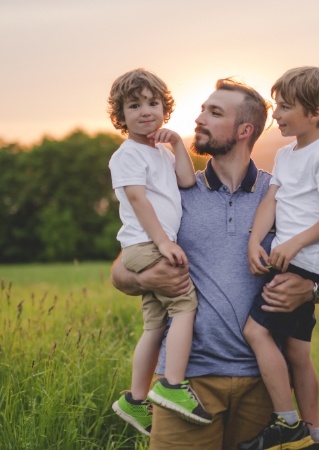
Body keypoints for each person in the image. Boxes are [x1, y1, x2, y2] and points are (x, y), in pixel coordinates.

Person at [110, 77, 319, 450]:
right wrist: (148, 277)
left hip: (263, 385)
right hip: (187, 383)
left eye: (214, 113)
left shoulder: (282, 193)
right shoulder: (174, 191)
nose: (199, 119)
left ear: (245, 130)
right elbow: (121, 270)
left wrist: (310, 289)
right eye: (201, 109)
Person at [240, 67, 319, 450]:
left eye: (286, 107)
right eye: (276, 106)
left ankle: (288, 424)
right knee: (298, 351)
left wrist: (293, 245)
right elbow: (273, 199)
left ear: (316, 112)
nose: (278, 115)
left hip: (305, 262)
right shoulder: (285, 154)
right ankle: (315, 433)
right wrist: (256, 240)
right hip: (291, 255)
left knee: (256, 331)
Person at [107, 68, 211, 436]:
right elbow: (137, 199)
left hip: (150, 245)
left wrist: (179, 145)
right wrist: (165, 243)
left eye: (152, 103)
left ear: (165, 109)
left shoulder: (161, 153)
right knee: (185, 306)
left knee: (155, 323)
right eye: (134, 105)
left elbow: (186, 180)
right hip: (145, 245)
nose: (145, 111)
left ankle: (136, 399)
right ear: (121, 115)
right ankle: (172, 385)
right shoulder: (128, 154)